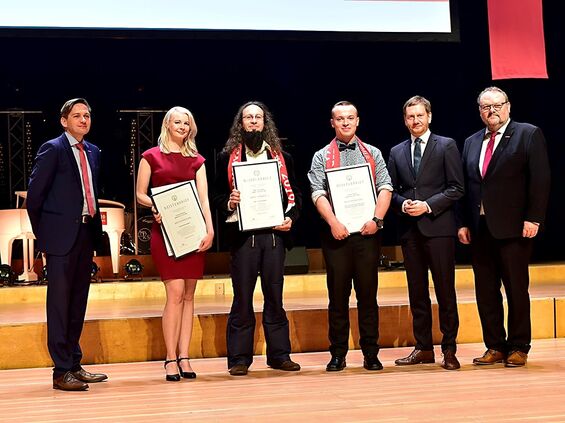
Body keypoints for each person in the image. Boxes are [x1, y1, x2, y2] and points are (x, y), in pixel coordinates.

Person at [458, 87, 550, 367]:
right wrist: (463, 223)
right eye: (486, 107)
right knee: (485, 291)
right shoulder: (472, 141)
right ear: (479, 111)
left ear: (508, 107)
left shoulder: (528, 134)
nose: (492, 111)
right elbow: (466, 186)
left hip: (514, 228)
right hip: (480, 228)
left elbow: (540, 179)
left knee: (516, 289)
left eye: (498, 105)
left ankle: (519, 345)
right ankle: (495, 345)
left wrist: (533, 218)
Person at [212, 101, 302, 376]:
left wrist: (292, 218)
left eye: (258, 117)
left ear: (265, 123)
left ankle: (279, 355)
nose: (253, 122)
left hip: (274, 236)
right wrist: (229, 201)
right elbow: (215, 196)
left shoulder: (282, 157)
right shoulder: (226, 158)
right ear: (241, 124)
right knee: (242, 298)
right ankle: (239, 358)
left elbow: (295, 193)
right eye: (248, 117)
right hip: (243, 239)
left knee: (275, 296)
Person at [27, 98, 108, 391]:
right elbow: (34, 198)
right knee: (60, 306)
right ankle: (61, 371)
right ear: (64, 120)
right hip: (60, 240)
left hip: (85, 235)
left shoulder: (93, 151)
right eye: (77, 116)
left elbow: (91, 195)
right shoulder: (53, 149)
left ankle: (74, 363)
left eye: (87, 115)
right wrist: (46, 238)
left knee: (77, 303)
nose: (83, 120)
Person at [308, 101, 392, 372]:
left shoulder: (373, 153)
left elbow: (386, 186)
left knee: (368, 296)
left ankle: (371, 352)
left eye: (350, 118)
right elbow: (317, 192)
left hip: (367, 234)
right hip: (337, 236)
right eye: (339, 118)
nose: (345, 122)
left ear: (358, 121)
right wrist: (333, 222)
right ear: (332, 122)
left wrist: (377, 220)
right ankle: (338, 353)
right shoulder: (322, 156)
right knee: (338, 297)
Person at [136, 106, 214, 381]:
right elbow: (140, 194)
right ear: (167, 124)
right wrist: (156, 204)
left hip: (193, 234)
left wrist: (210, 230)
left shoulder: (197, 160)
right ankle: (170, 358)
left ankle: (185, 357)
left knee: (190, 295)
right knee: (176, 293)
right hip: (165, 233)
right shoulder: (151, 157)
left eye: (186, 123)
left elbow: (204, 200)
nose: (182, 126)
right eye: (177, 122)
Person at [387, 96, 464, 370]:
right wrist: (402, 204)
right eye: (410, 117)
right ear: (405, 120)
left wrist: (428, 205)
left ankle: (450, 349)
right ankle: (423, 348)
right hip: (410, 232)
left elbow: (456, 188)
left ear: (429, 116)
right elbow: (390, 191)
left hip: (439, 230)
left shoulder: (446, 145)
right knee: (416, 292)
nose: (415, 121)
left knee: (445, 291)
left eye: (420, 116)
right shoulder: (396, 151)